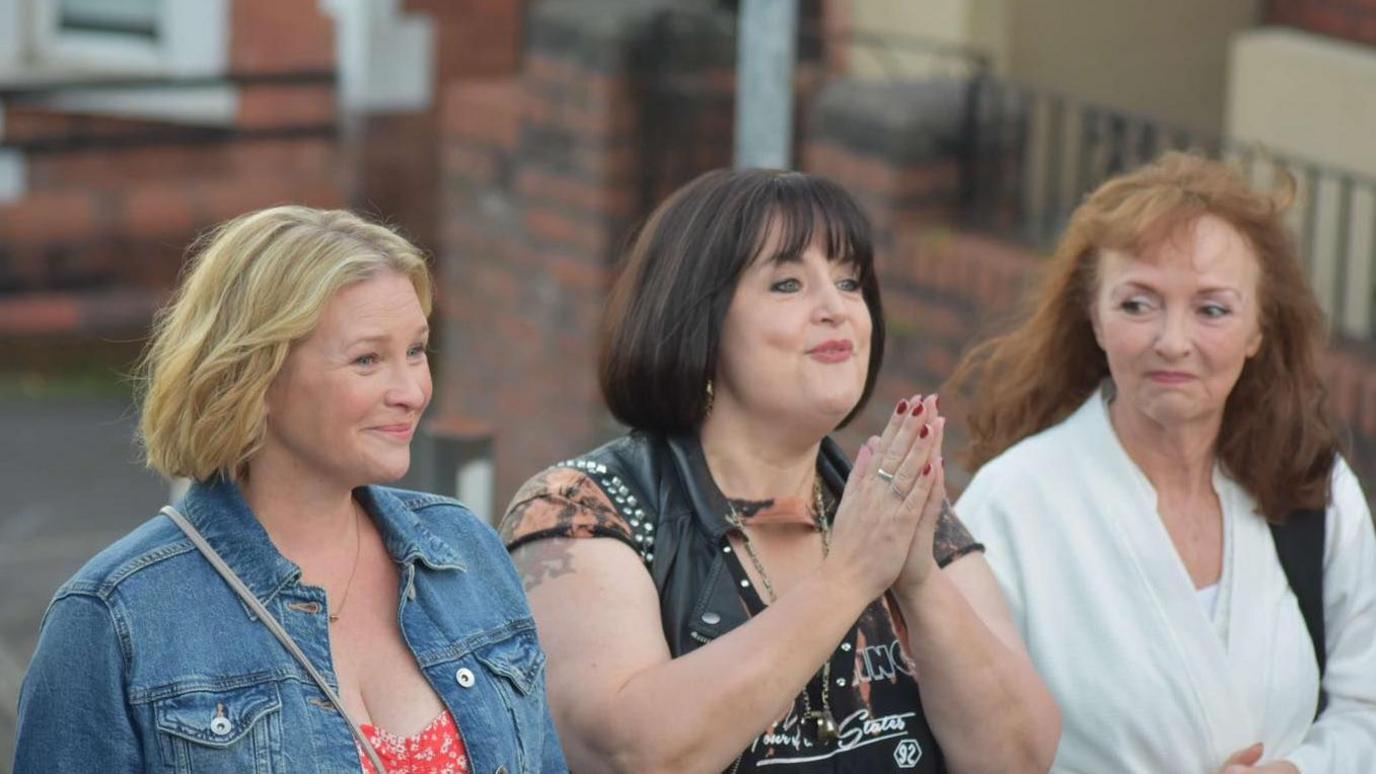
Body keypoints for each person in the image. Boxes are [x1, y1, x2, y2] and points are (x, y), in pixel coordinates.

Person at [499, 168, 1060, 773]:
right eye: (788, 284)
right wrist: (848, 578)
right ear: (701, 321)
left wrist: (917, 579)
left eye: (849, 282)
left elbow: (1020, 757)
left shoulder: (894, 510)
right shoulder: (585, 508)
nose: (836, 309)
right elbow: (630, 754)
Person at [15, 206, 566, 773]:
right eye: (367, 359)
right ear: (257, 376)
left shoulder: (465, 550)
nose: (411, 391)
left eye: (416, 351)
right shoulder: (115, 616)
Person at [951, 153, 1376, 772]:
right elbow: (968, 747)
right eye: (1138, 304)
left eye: (1212, 309)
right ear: (1093, 316)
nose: (1173, 341)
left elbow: (1367, 707)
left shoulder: (1313, 487)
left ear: (1259, 328)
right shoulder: (1011, 506)